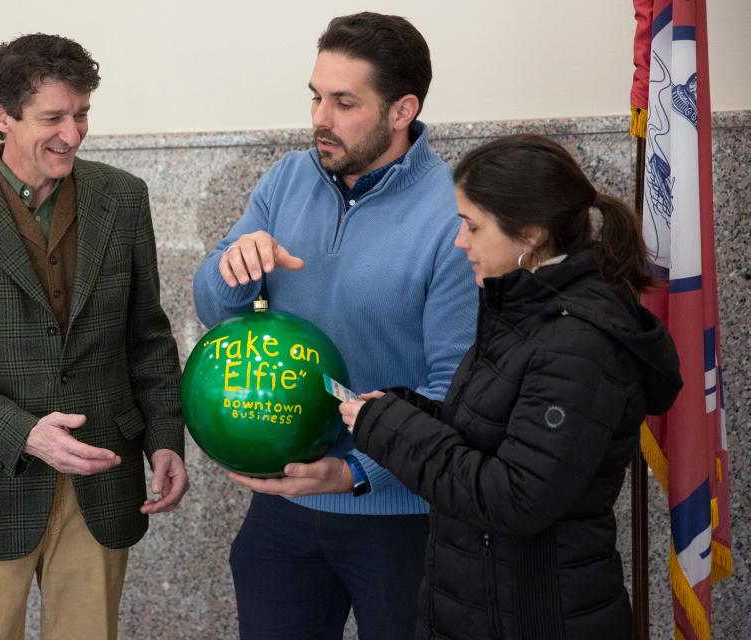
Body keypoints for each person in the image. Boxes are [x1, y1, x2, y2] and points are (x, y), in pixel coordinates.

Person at [192, 12, 476, 639]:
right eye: (316, 96)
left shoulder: (455, 209)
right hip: (285, 510)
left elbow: (456, 388)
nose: (320, 117)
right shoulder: (287, 179)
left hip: (403, 519)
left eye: (344, 102)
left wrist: (354, 476)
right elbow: (216, 312)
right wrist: (232, 270)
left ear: (402, 110)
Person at [0, 34, 188, 640]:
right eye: (52, 117)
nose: (73, 134)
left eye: (81, 114)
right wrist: (27, 434)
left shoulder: (124, 198)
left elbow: (148, 338)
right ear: (0, 115)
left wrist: (166, 440)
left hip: (103, 480)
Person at [340, 134, 682, 640]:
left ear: (529, 235)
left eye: (472, 226)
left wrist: (392, 428)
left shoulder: (578, 344)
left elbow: (515, 497)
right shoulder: (519, 307)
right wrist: (401, 409)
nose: (460, 242)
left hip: (539, 616)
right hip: (479, 608)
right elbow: (487, 434)